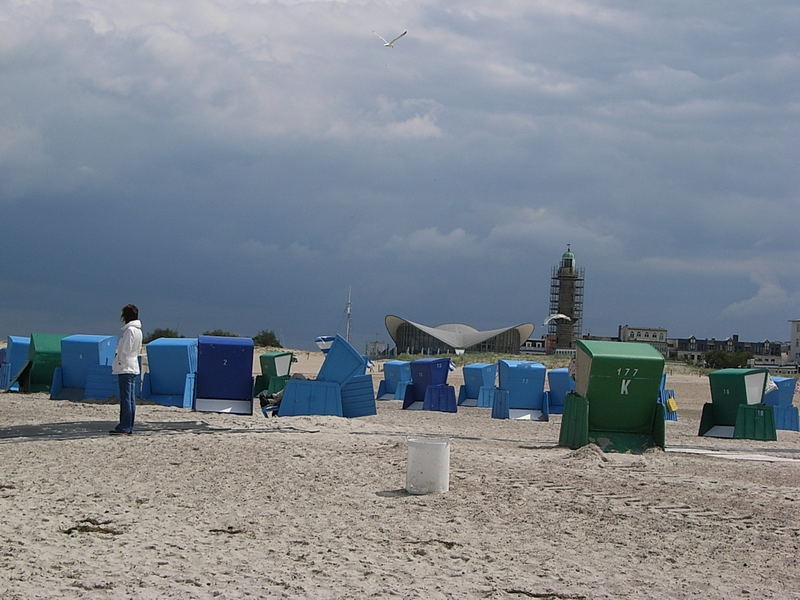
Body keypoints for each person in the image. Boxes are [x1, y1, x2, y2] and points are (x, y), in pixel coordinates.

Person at [110, 304, 143, 435]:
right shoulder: (138, 330)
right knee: (130, 398)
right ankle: (127, 424)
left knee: (126, 398)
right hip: (132, 365)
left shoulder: (130, 331)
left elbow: (125, 350)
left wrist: (119, 361)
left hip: (126, 366)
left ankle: (125, 426)